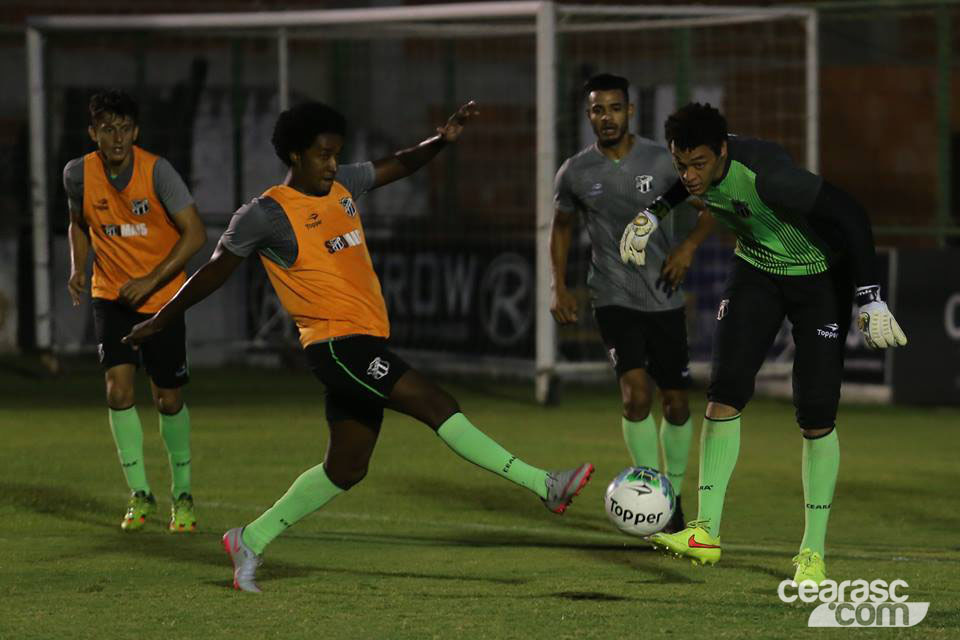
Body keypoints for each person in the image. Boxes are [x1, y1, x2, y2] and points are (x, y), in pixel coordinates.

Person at [123, 100, 594, 593]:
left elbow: (400, 163)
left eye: (336, 154)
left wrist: (441, 140)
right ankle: (544, 485)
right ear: (295, 154)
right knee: (437, 404)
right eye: (323, 155)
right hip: (335, 345)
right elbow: (213, 271)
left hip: (361, 340)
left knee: (346, 468)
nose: (332, 164)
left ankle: (250, 538)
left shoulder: (342, 184)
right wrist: (161, 318)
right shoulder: (265, 214)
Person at [619, 103, 907, 584]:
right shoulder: (698, 167)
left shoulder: (770, 177)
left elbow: (851, 214)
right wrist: (654, 213)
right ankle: (705, 532)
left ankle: (812, 553)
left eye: (699, 164)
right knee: (724, 392)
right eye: (680, 164)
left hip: (820, 279)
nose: (689, 175)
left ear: (722, 150)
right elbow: (692, 182)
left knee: (816, 413)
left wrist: (869, 296)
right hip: (756, 270)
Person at [551, 74, 714, 533]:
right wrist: (558, 286)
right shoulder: (575, 172)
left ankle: (673, 494)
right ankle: (656, 498)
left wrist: (686, 249)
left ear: (630, 111)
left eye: (615, 108)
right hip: (612, 295)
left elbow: (709, 209)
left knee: (676, 404)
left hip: (663, 295)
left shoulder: (662, 162)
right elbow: (561, 227)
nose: (607, 117)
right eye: (598, 109)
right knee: (635, 397)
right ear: (589, 115)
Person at [65, 89, 206, 533]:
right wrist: (78, 267)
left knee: (168, 398)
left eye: (125, 128)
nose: (118, 137)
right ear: (93, 134)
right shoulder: (78, 175)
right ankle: (140, 493)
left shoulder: (158, 172)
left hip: (162, 300)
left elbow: (196, 234)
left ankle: (182, 494)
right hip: (111, 296)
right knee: (117, 391)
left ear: (136, 132)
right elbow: (77, 223)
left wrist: (151, 280)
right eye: (108, 129)